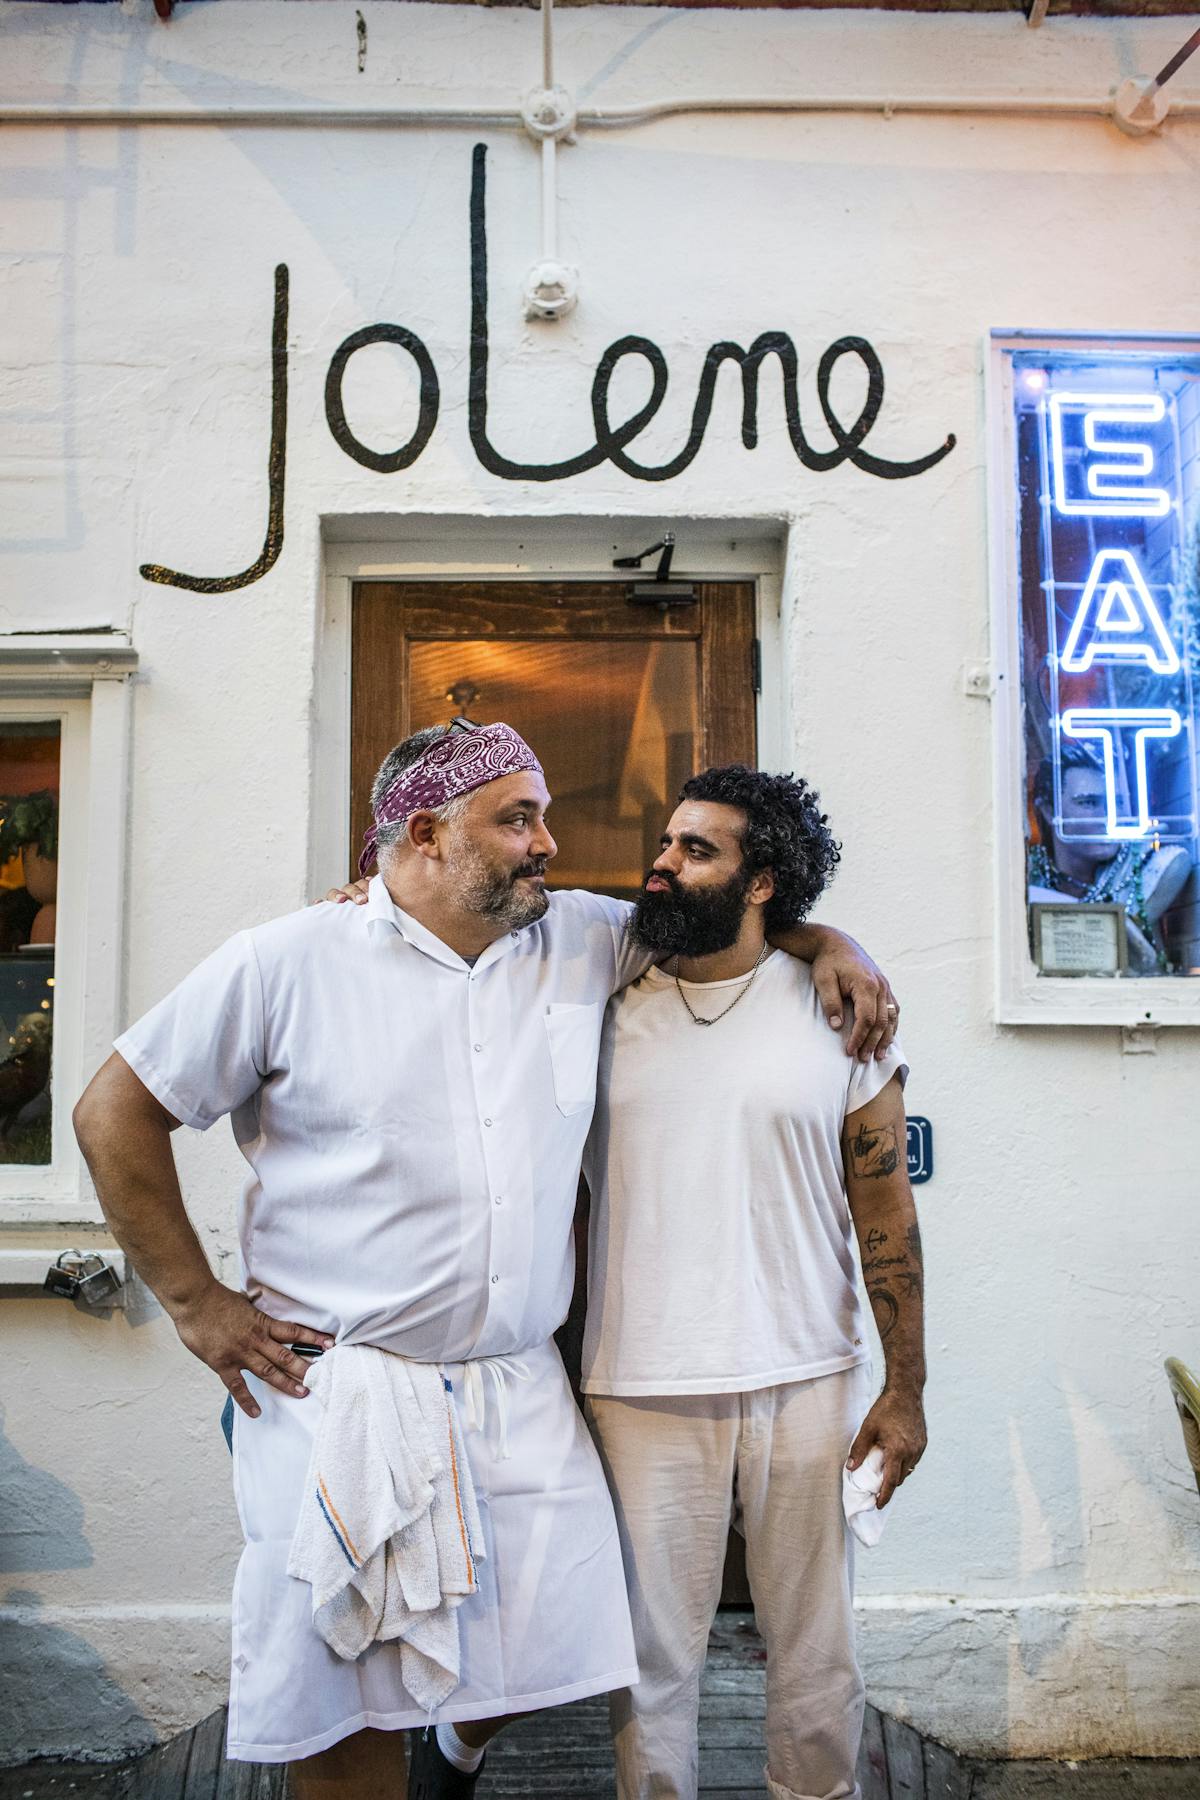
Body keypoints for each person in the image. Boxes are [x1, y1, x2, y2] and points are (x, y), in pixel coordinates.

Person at [74, 722, 898, 1800]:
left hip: (519, 1387)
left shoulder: (581, 940)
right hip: (344, 1387)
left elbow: (723, 916)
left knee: (557, 1639)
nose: (550, 843)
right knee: (347, 1696)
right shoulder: (285, 962)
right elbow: (111, 1111)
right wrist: (194, 1302)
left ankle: (457, 1754)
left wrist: (834, 941)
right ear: (423, 834)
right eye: (519, 819)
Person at [581, 765, 926, 1800]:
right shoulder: (595, 1003)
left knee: (817, 1652)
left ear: (763, 881)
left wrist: (905, 1389)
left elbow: (888, 1212)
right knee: (649, 1667)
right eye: (667, 840)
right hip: (638, 1376)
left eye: (697, 849)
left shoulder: (843, 1015)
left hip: (805, 1370)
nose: (663, 862)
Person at [1028, 744, 1191, 973]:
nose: (1108, 818)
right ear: (1048, 810)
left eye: (1117, 803)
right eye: (1089, 803)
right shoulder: (1027, 878)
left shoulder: (1157, 869)